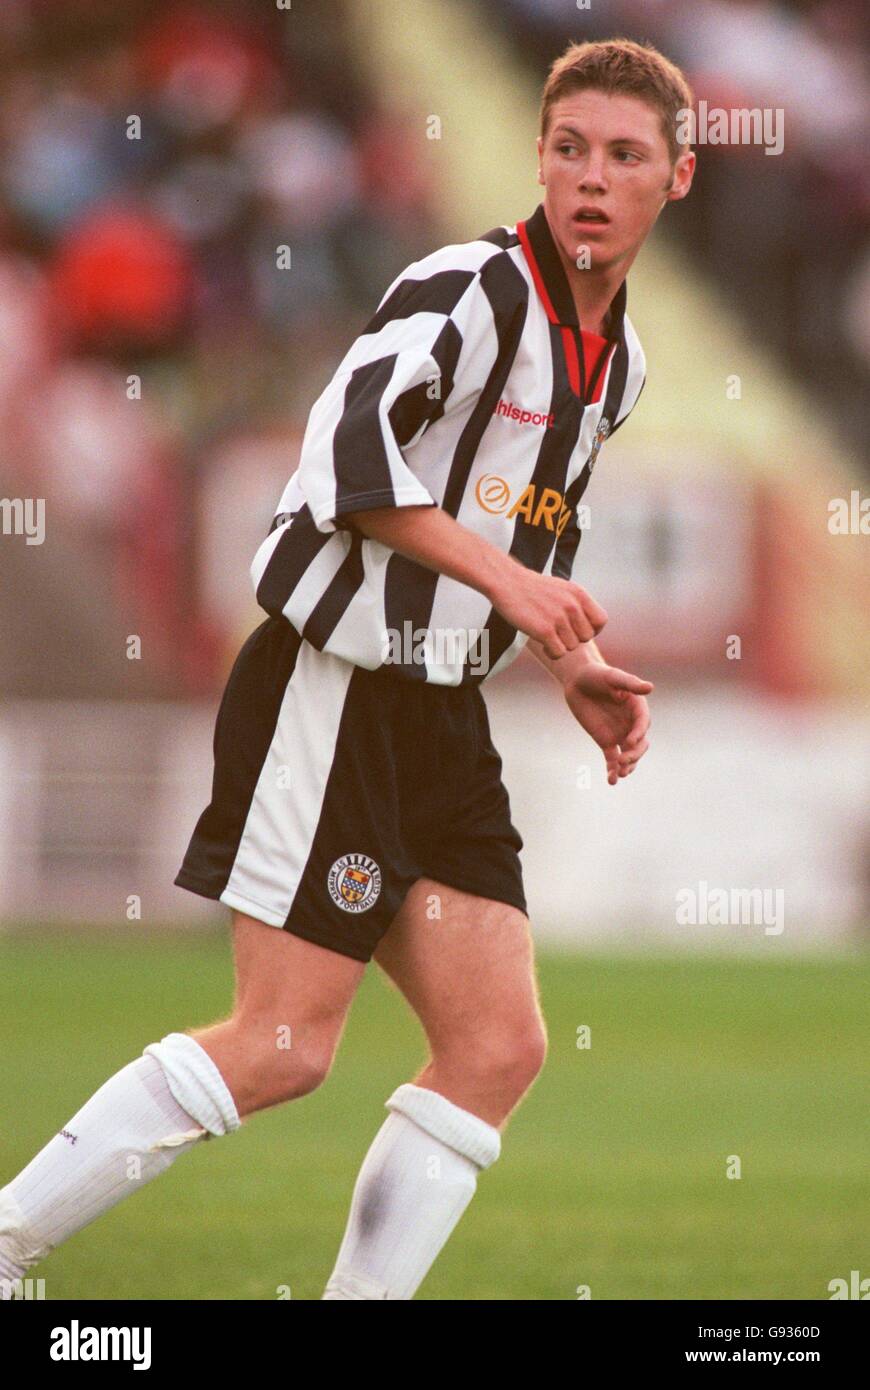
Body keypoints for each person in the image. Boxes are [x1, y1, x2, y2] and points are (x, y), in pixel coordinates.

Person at [0, 38, 695, 1301]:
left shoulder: (623, 364)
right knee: (281, 1046)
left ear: (678, 179)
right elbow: (348, 469)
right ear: (538, 158)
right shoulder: (469, 289)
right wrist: (515, 591)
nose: (592, 177)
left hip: (443, 715)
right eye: (570, 148)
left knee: (496, 1044)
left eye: (625, 155)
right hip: (331, 684)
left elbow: (523, 529)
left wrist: (571, 659)